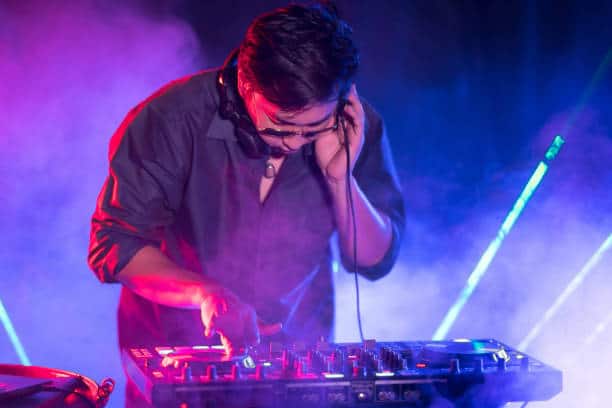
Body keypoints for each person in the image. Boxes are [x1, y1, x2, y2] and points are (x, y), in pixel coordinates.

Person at [88, 2, 405, 405]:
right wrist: (207, 294)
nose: (295, 143)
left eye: (312, 130)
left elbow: (373, 260)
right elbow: (114, 246)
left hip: (298, 361)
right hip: (177, 357)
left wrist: (340, 180)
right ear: (244, 84)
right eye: (281, 126)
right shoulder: (171, 119)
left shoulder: (357, 127)